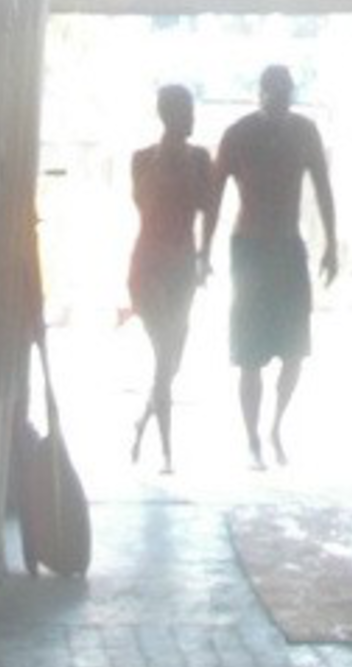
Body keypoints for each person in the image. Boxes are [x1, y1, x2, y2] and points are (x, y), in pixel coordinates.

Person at [213, 58, 339, 469]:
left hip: (287, 246)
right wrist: (201, 250)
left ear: (292, 96)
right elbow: (214, 196)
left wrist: (332, 243)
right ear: (261, 94)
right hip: (249, 248)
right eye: (273, 96)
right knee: (249, 353)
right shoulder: (239, 135)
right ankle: (252, 438)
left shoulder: (304, 133)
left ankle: (275, 426)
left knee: (294, 350)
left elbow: (323, 188)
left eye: (287, 97)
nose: (280, 103)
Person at [123, 80, 216, 473]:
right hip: (149, 266)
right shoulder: (143, 158)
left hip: (181, 267)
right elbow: (143, 201)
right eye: (186, 111)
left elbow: (207, 206)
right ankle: (166, 452)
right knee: (163, 354)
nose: (193, 118)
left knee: (173, 360)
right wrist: (165, 160)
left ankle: (144, 420)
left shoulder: (200, 159)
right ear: (170, 116)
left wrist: (204, 257)